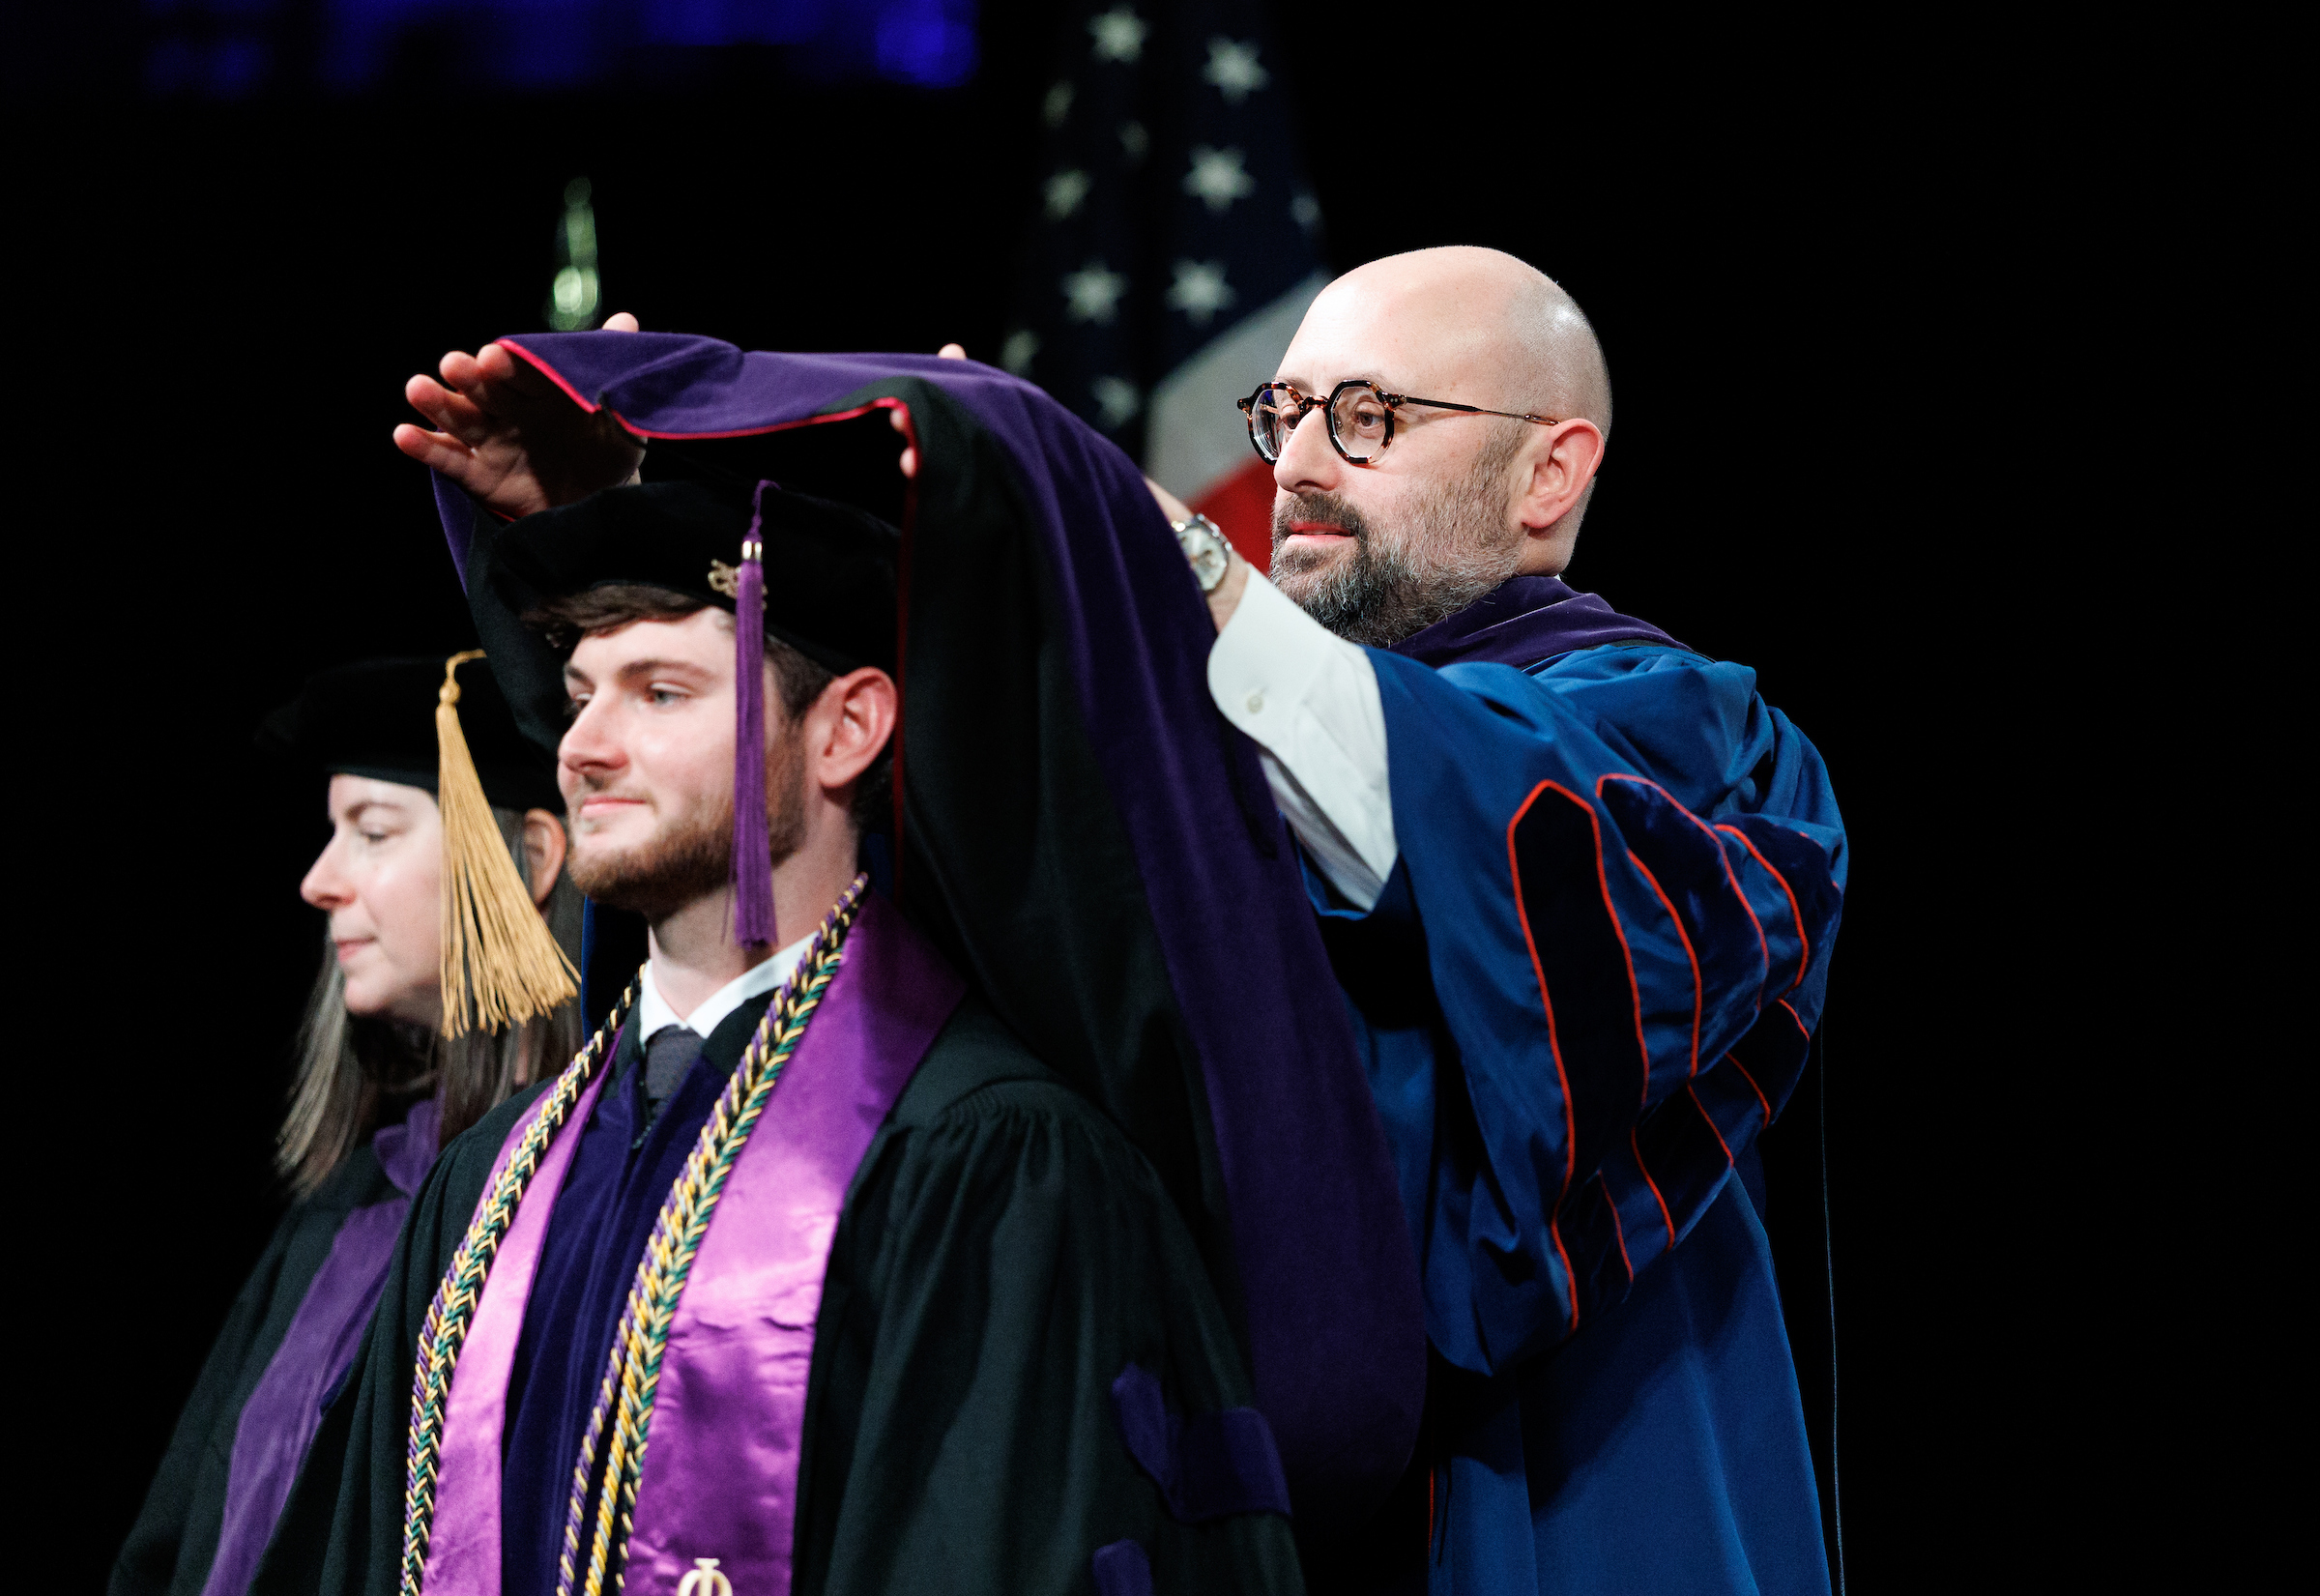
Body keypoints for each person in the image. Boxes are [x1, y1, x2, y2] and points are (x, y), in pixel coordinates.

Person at [259, 475, 1316, 1596]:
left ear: (847, 728)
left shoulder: (988, 1165)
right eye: (578, 696)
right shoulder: (489, 1189)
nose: (583, 748)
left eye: (659, 692)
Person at [1174, 246, 1849, 1593]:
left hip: (1576, 1500)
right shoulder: (1214, 760)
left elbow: (1469, 796)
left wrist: (1180, 568)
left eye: (1366, 416)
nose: (1296, 466)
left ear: (1551, 470)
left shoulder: (1701, 753)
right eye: (1283, 412)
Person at [115, 653, 583, 1596]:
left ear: (529, 858)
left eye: (371, 831)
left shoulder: (581, 1200)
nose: (319, 881)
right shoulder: (353, 1203)